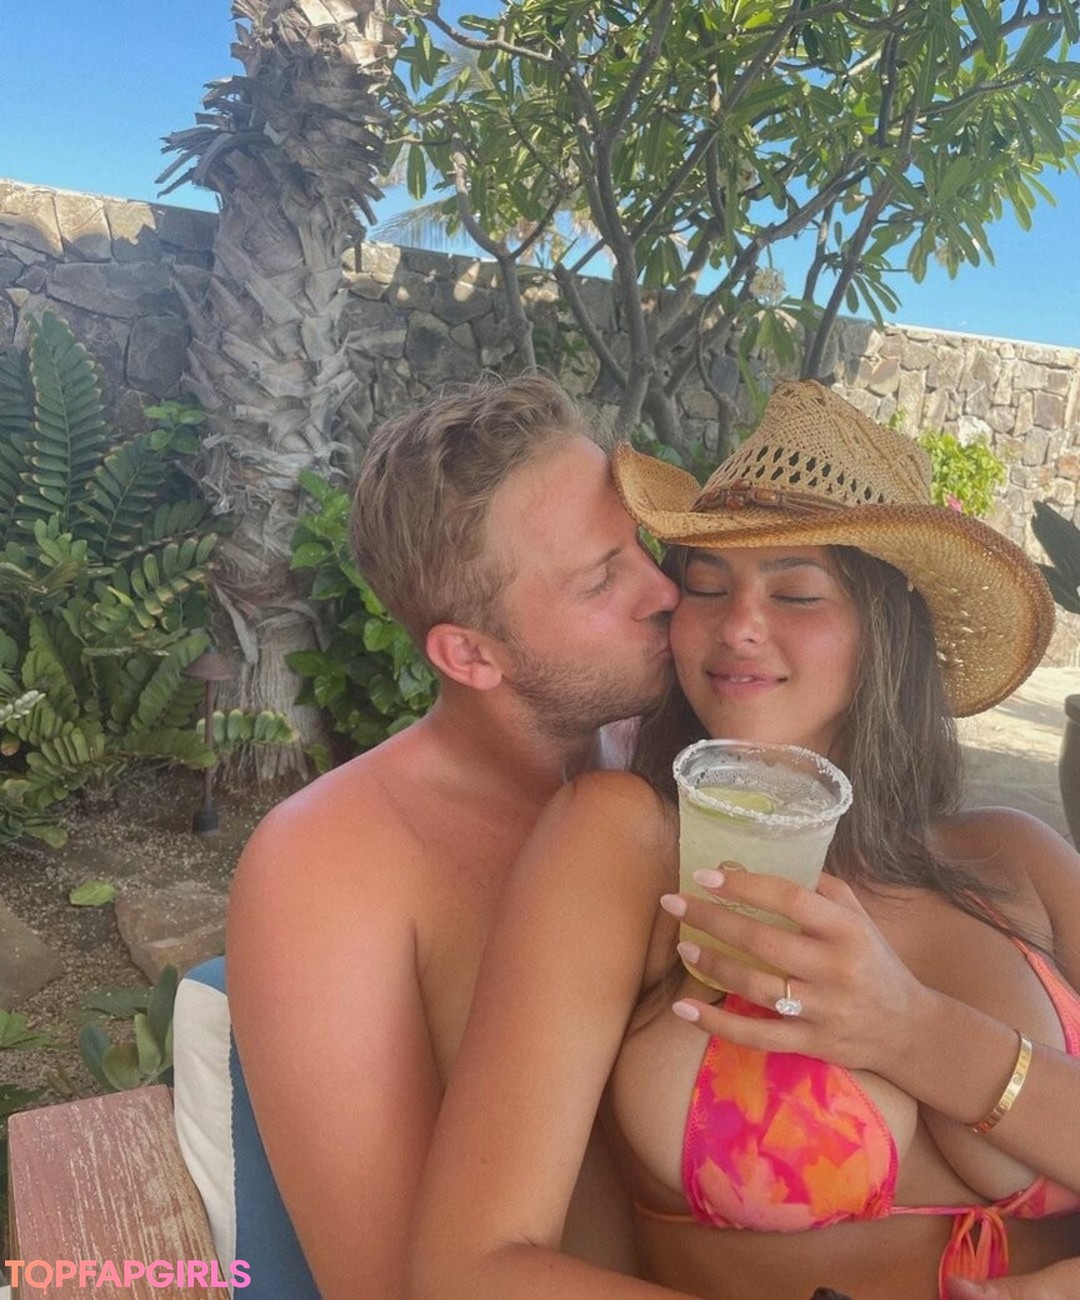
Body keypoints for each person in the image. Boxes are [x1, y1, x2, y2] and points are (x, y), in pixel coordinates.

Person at [407, 380, 1080, 1300]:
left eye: (796, 592)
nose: (739, 626)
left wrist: (911, 1031)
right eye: (706, 587)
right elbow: (468, 1270)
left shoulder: (1017, 859)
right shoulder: (626, 843)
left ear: (888, 635)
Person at [226, 373, 680, 1299]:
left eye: (642, 544)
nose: (665, 590)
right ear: (470, 654)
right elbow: (389, 1283)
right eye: (602, 578)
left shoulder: (668, 768)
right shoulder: (332, 868)